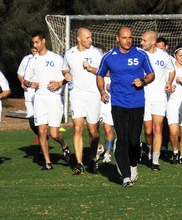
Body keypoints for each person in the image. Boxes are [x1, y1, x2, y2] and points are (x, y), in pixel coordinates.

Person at [96, 26, 154, 187]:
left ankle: (133, 164)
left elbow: (151, 75)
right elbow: (99, 75)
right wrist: (102, 91)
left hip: (137, 103)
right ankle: (125, 176)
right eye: (124, 38)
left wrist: (142, 81)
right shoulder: (109, 57)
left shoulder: (141, 54)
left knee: (134, 140)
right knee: (122, 138)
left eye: (130, 37)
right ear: (117, 38)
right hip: (118, 104)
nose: (128, 40)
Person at [23, 31, 71, 170]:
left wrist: (59, 83)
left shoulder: (56, 58)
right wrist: (30, 84)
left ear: (44, 41)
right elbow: (25, 80)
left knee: (54, 133)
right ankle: (48, 162)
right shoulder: (33, 60)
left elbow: (68, 76)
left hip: (54, 98)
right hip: (39, 99)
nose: (35, 45)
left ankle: (64, 145)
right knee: (42, 131)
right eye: (33, 43)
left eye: (37, 42)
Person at [63, 27, 103, 174]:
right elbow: (64, 69)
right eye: (87, 38)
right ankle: (79, 163)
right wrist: (67, 75)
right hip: (77, 95)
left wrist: (90, 68)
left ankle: (93, 159)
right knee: (77, 128)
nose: (90, 40)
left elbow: (104, 71)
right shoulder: (69, 53)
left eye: (90, 37)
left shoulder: (95, 53)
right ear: (79, 39)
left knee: (93, 131)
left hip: (93, 95)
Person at [141, 30, 175, 170]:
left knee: (157, 128)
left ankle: (155, 160)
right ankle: (149, 149)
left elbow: (171, 71)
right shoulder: (140, 55)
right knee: (148, 131)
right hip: (143, 96)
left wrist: (169, 82)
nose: (141, 42)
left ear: (153, 42)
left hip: (159, 97)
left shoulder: (164, 56)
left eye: (144, 40)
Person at [16, 44, 39, 138]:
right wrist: (22, 81)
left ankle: (43, 146)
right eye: (33, 51)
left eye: (36, 51)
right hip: (29, 94)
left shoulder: (46, 59)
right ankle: (43, 138)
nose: (35, 53)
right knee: (32, 124)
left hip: (42, 94)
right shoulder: (26, 59)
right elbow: (20, 73)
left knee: (41, 122)